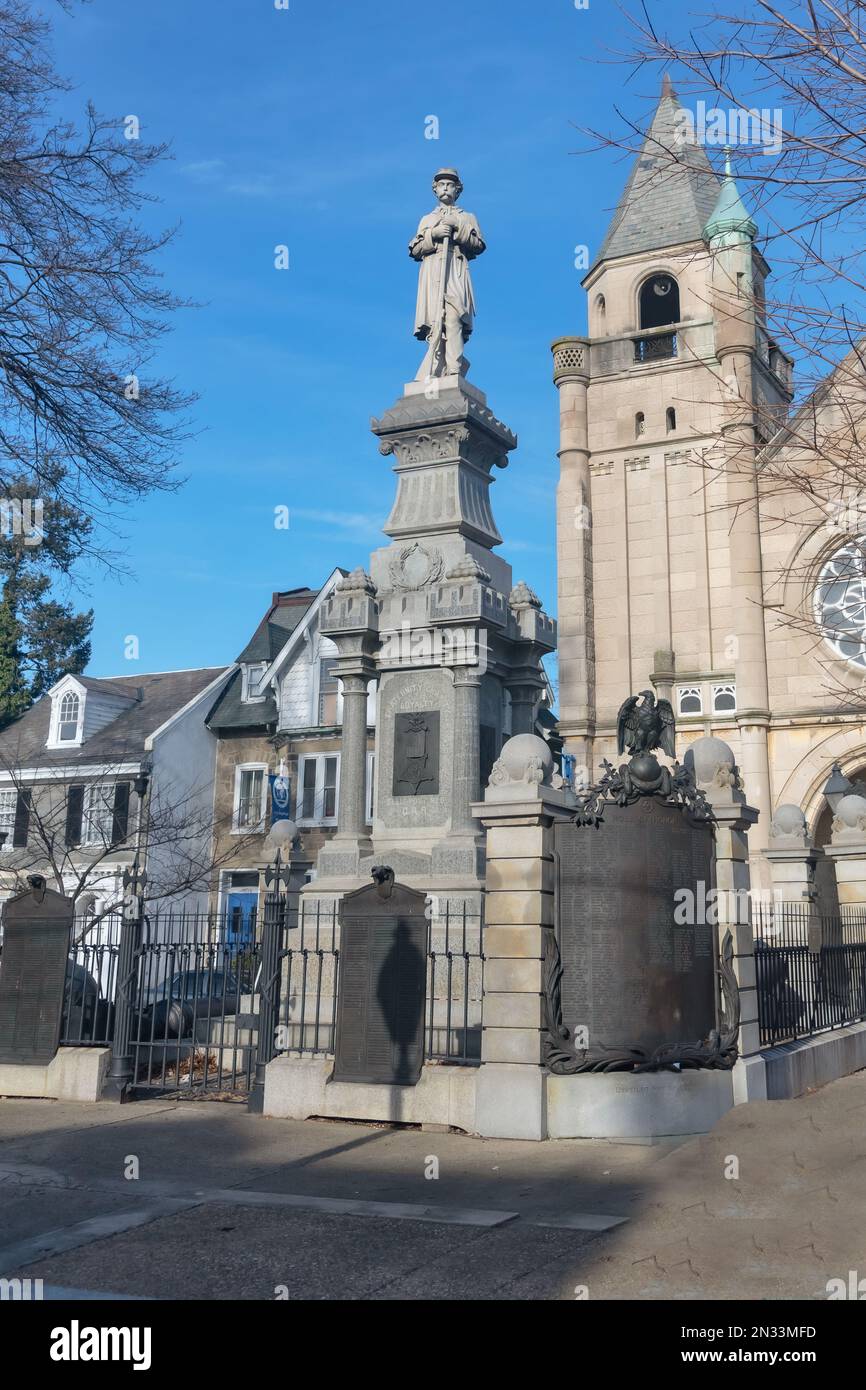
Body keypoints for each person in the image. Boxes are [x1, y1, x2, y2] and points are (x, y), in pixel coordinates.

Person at [409, 168, 485, 380]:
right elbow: (414, 249)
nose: (445, 188)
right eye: (441, 184)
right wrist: (433, 234)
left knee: (454, 317)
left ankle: (454, 368)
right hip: (433, 269)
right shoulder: (427, 219)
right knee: (436, 322)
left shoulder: (467, 217)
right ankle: (435, 366)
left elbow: (478, 244)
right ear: (435, 189)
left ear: (457, 189)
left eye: (450, 184)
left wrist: (458, 228)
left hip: (455, 269)